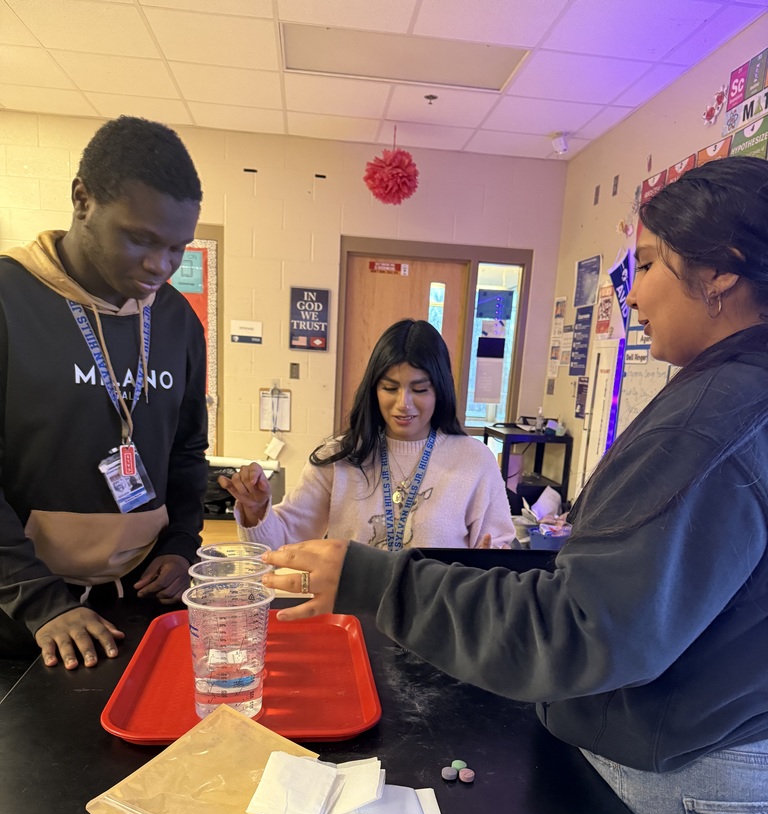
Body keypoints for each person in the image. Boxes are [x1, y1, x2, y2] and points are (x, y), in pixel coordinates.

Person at [260, 156, 768, 814]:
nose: (632, 293)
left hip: (682, 771)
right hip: (722, 747)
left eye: (650, 266)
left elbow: (581, 628)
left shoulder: (708, 421)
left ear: (720, 278)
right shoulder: (738, 399)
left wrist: (369, 579)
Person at [0, 116, 208, 669]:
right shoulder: (9, 299)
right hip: (26, 621)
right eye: (140, 239)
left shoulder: (178, 322)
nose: (159, 266)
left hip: (143, 605)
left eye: (177, 248)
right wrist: (43, 603)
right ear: (82, 199)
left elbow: (187, 452)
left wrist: (181, 544)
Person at [220, 319, 517, 551]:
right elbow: (278, 545)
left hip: (437, 622)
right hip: (351, 620)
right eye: (390, 388)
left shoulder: (474, 460)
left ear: (440, 389)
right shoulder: (338, 458)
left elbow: (495, 549)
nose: (404, 404)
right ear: (373, 389)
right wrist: (257, 509)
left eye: (420, 389)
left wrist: (492, 561)